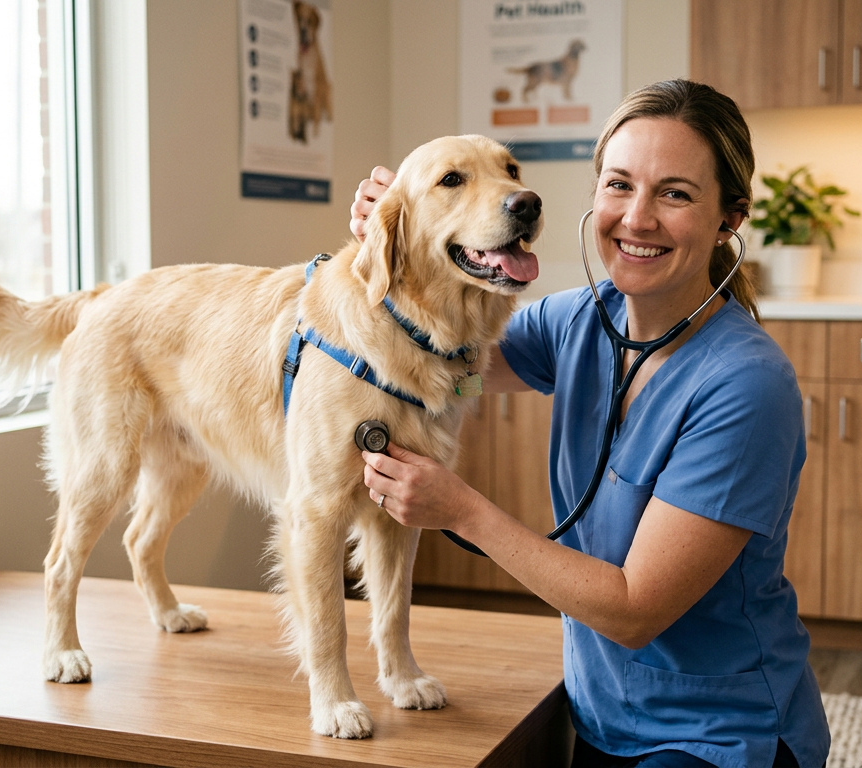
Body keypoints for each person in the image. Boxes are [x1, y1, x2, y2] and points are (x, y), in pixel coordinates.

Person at [351, 79, 830, 768]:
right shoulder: (578, 320)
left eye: (675, 193)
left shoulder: (745, 385)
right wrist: (403, 240)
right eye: (618, 185)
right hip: (603, 717)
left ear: (729, 218)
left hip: (720, 735)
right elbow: (451, 368)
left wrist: (461, 511)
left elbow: (635, 610)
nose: (636, 219)